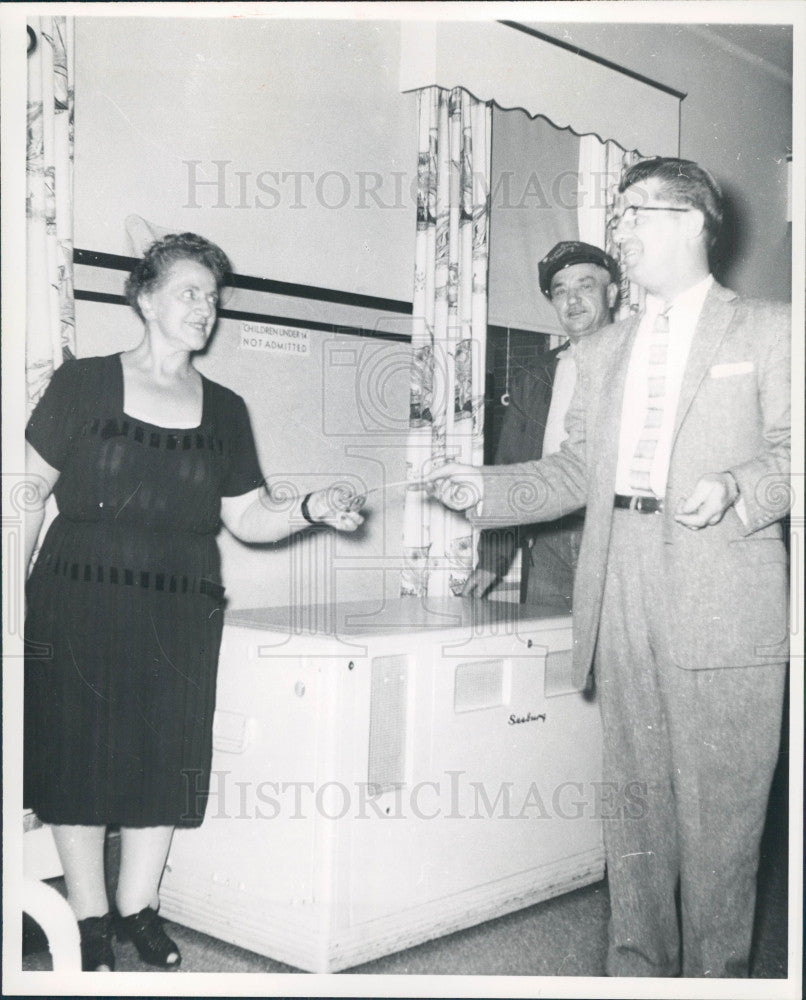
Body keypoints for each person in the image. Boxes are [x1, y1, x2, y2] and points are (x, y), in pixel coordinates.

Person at [425, 158, 790, 978]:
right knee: (633, 820)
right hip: (615, 577)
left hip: (723, 588)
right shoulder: (603, 351)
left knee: (722, 825)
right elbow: (572, 472)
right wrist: (482, 489)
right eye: (617, 215)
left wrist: (737, 485)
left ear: (694, 221)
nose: (620, 230)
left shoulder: (772, 329)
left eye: (636, 214)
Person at [23, 233, 364, 972]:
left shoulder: (226, 409)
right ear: (144, 299)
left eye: (212, 296)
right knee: (75, 755)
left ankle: (138, 907)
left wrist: (311, 505)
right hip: (76, 593)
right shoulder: (81, 383)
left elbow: (247, 518)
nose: (204, 308)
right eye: (188, 291)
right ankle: (87, 919)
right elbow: (24, 495)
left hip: (180, 603)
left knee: (162, 755)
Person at [463, 241, 618, 608]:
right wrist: (490, 563)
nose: (573, 300)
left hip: (615, 539)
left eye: (585, 285)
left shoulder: (643, 360)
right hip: (547, 541)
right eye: (560, 291)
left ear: (611, 293)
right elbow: (513, 468)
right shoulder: (534, 378)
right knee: (551, 654)